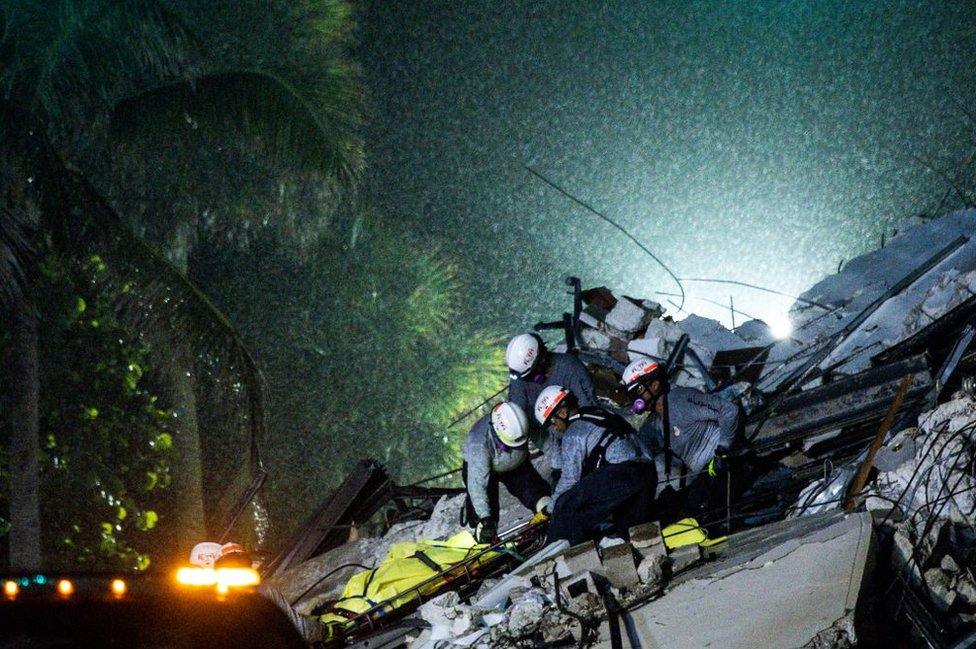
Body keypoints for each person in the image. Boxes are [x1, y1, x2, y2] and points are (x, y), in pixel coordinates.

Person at [534, 385, 656, 545]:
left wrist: (550, 509)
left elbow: (570, 479)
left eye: (552, 422)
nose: (554, 427)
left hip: (624, 476)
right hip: (649, 475)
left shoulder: (574, 432)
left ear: (562, 412)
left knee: (566, 504)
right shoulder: (600, 413)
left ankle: (555, 552)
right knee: (623, 533)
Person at [620, 357, 743, 515]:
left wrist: (722, 452)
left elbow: (729, 410)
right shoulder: (659, 420)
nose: (635, 399)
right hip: (708, 474)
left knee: (690, 518)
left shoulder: (680, 399)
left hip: (725, 468)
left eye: (637, 391)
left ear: (655, 385)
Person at [505, 333, 597, 479]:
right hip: (550, 435)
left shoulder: (570, 368)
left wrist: (575, 444)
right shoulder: (521, 378)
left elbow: (590, 409)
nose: (526, 381)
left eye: (530, 376)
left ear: (542, 359)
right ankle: (557, 460)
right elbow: (516, 411)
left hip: (577, 428)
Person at [462, 401, 552, 543]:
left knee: (540, 496)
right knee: (485, 519)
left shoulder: (522, 422)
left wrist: (560, 470)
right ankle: (486, 543)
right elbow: (477, 485)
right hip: (483, 469)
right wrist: (485, 518)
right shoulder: (478, 444)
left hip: (517, 465)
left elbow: (548, 444)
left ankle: (551, 525)